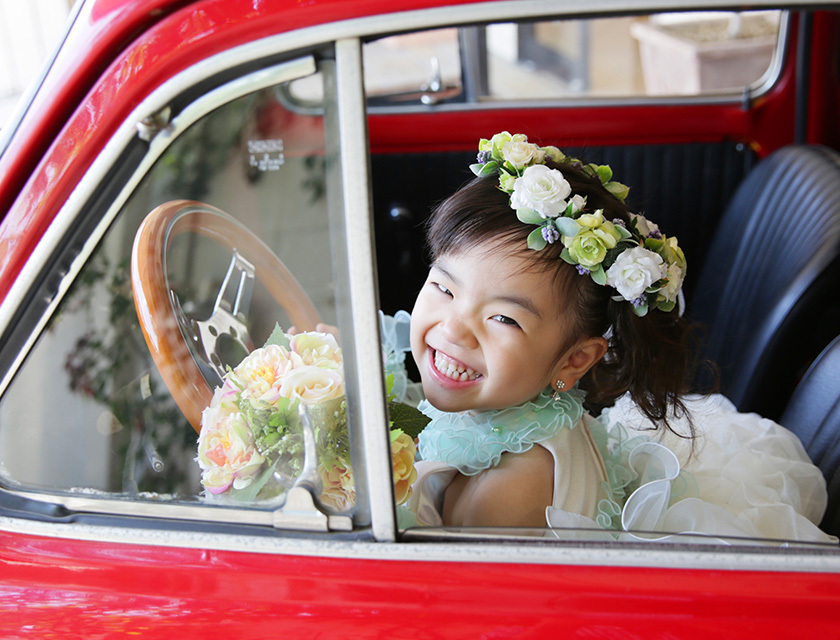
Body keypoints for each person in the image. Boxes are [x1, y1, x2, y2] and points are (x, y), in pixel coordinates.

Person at [397, 132, 835, 544]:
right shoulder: (513, 413)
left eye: (504, 319)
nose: (454, 328)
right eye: (444, 288)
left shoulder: (508, 494)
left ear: (574, 360)